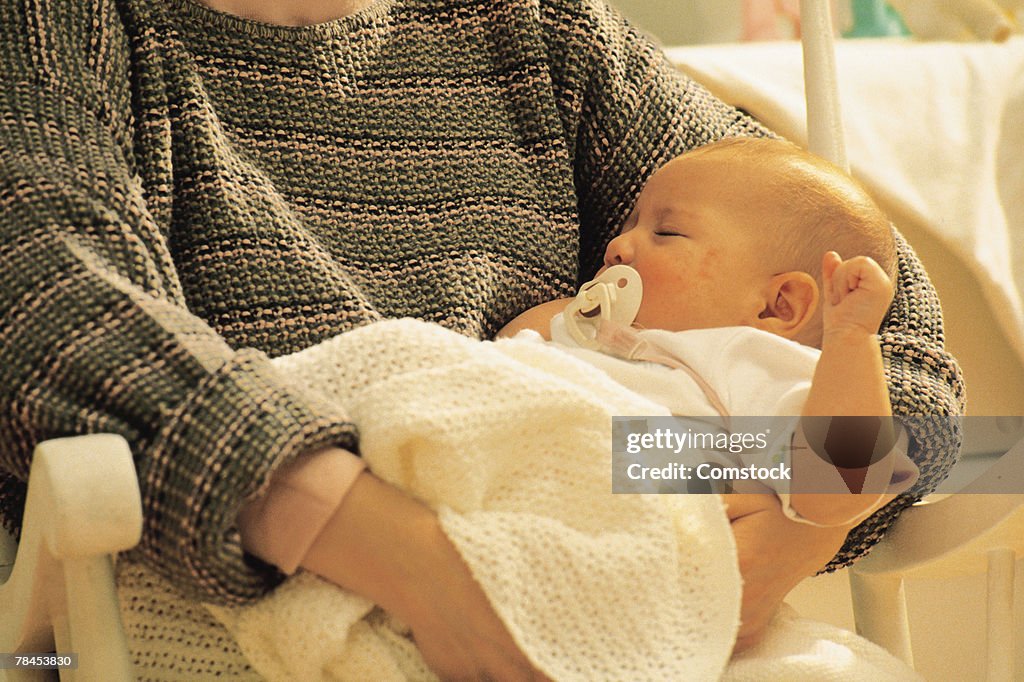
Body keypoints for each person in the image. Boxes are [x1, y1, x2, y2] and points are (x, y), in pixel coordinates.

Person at [0, 0, 963, 677]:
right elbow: (48, 305)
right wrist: (422, 568)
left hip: (609, 583)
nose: (630, 246)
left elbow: (894, 339)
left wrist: (794, 515)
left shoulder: (538, 30)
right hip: (264, 596)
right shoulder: (69, 27)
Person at [500, 136, 917, 527]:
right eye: (629, 226)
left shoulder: (748, 361)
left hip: (629, 529)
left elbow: (838, 487)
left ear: (778, 305)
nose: (617, 247)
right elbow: (500, 356)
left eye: (665, 233)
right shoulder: (592, 334)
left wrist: (852, 341)